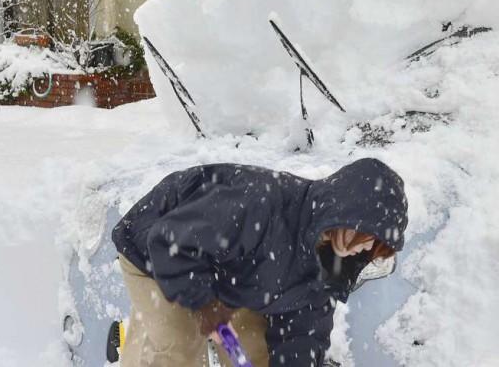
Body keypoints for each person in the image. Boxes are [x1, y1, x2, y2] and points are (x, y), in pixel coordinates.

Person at [111, 157, 408, 367]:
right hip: (156, 251)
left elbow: (302, 336)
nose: (367, 247)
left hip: (231, 273)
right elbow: (170, 241)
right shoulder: (259, 205)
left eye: (376, 246)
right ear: (346, 211)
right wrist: (205, 303)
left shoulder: (326, 271)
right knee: (178, 351)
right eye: (369, 235)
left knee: (256, 353)